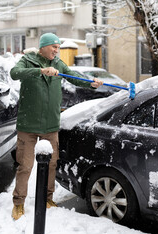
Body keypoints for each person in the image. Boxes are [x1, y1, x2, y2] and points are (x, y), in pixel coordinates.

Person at [10, 33, 104, 220]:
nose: (56, 50)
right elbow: (14, 73)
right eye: (54, 46)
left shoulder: (58, 64)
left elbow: (73, 76)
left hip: (50, 125)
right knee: (26, 166)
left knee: (51, 164)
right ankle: (18, 203)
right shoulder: (27, 61)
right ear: (43, 46)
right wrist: (40, 71)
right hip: (28, 124)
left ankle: (47, 198)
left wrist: (91, 82)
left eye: (58, 47)